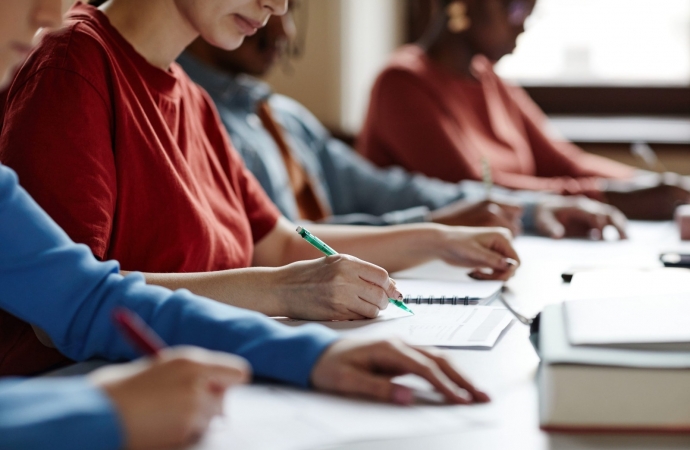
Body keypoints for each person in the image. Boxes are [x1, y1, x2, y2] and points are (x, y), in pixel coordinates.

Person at [0, 1, 489, 448]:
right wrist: (279, 293)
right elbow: (64, 312)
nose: (277, 7)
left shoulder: (192, 97)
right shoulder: (71, 64)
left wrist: (310, 354)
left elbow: (271, 242)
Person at [179, 6, 628, 240]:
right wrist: (431, 225)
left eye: (291, 10)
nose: (286, 31)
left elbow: (387, 189)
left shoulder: (284, 116)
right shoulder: (191, 116)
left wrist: (527, 210)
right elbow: (275, 245)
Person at [359, 0, 690, 221]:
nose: (523, 25)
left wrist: (659, 185)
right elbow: (474, 191)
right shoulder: (401, 83)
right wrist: (611, 197)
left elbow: (564, 161)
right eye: (515, 8)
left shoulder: (490, 80)